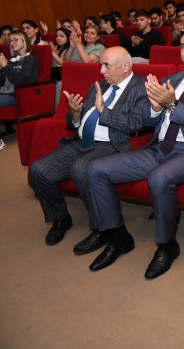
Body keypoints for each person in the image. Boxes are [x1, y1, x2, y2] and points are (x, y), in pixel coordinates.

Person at [84, 30, 184, 279]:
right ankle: (118, 236)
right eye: (183, 46)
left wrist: (172, 104)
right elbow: (148, 119)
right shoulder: (170, 79)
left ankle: (166, 245)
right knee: (95, 169)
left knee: (159, 178)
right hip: (160, 146)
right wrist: (154, 108)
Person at [29, 47, 150, 248]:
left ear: (126, 66)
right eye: (100, 65)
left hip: (113, 144)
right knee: (38, 170)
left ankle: (101, 228)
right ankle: (60, 217)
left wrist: (105, 112)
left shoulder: (141, 87)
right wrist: (75, 113)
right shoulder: (98, 86)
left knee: (82, 168)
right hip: (82, 141)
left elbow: (137, 123)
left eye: (107, 66)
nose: (101, 71)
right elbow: (77, 119)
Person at [0, 30, 40, 150]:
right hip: (5, 92)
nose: (12, 43)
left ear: (24, 40)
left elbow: (20, 80)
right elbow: (3, 81)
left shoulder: (31, 60)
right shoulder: (12, 60)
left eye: (15, 39)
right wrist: (1, 69)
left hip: (18, 95)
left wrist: (5, 66)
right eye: (10, 41)